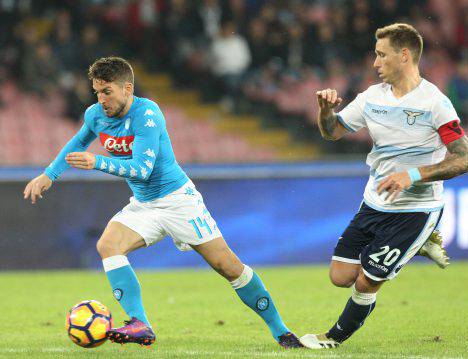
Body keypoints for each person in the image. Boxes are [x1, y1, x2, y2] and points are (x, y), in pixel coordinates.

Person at [23, 57, 303, 349]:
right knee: (108, 245)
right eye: (97, 92)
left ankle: (281, 331)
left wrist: (97, 161)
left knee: (228, 266)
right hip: (144, 204)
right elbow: (78, 142)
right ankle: (139, 323)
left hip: (179, 202)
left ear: (127, 88)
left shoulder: (148, 115)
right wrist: (49, 175)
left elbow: (141, 169)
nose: (101, 99)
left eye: (107, 92)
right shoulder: (96, 115)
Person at [300, 23, 468, 349]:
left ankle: (333, 338)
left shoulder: (435, 103)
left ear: (404, 55)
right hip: (375, 202)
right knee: (339, 277)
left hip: (415, 210)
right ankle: (420, 247)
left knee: (367, 282)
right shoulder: (371, 98)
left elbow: (465, 159)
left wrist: (414, 175)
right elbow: (332, 132)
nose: (375, 63)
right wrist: (326, 112)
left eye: (381, 55)